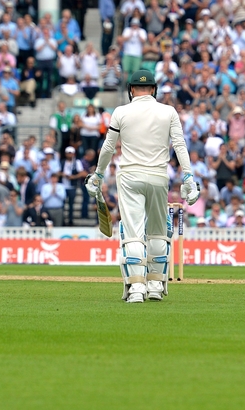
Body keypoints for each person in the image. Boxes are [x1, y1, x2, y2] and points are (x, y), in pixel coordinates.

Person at [86, 69, 199, 303]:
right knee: (158, 230)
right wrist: (188, 176)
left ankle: (137, 288)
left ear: (131, 90)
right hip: (158, 176)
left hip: (129, 177)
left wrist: (98, 174)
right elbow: (179, 144)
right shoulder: (168, 111)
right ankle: (156, 285)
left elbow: (108, 147)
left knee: (133, 231)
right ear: (154, 90)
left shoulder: (121, 112)